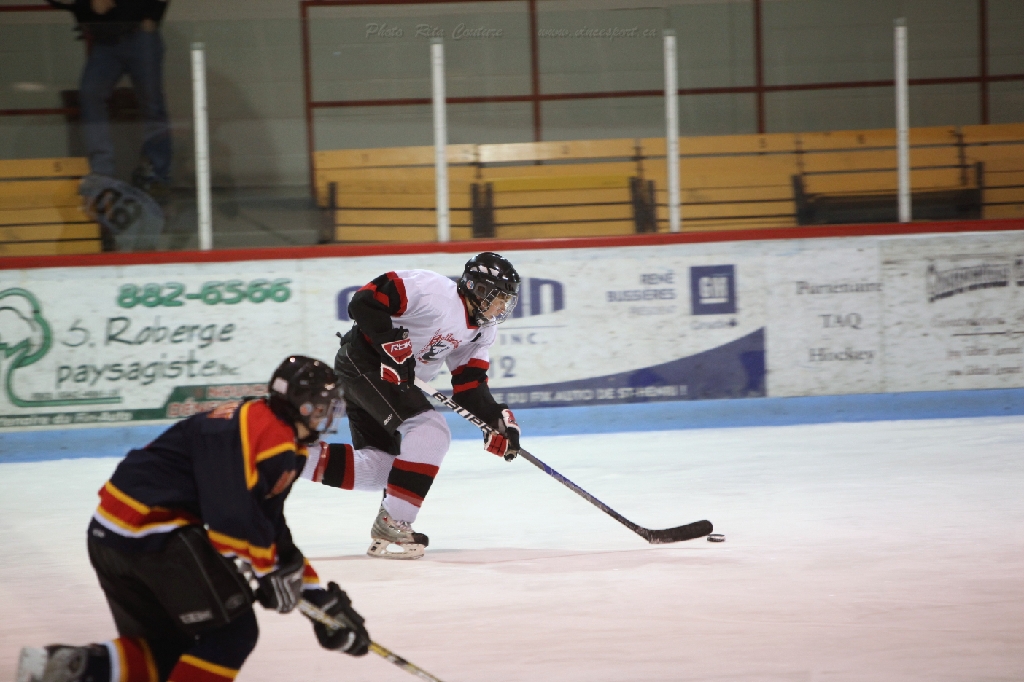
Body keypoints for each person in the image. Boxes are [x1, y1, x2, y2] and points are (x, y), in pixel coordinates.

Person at [16, 356, 370, 682]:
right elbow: (230, 522)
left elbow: (267, 527)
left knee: (173, 650)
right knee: (232, 634)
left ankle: (72, 667)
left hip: (108, 534)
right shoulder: (273, 440)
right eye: (320, 407)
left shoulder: (261, 424)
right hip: (153, 534)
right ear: (300, 405)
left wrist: (315, 596)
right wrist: (268, 572)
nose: (326, 415)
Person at [303, 252, 523, 560]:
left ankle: (288, 456)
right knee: (431, 432)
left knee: (383, 469)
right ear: (478, 288)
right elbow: (363, 302)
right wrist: (390, 342)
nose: (502, 308)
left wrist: (496, 420)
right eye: (498, 298)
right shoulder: (432, 291)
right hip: (366, 363)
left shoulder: (483, 331)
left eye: (506, 301)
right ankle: (394, 521)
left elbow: (470, 387)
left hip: (393, 379)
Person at [46, 0, 173, 201]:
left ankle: (156, 173)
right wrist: (89, 3)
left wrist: (153, 16)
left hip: (137, 32)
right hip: (106, 39)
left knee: (152, 104)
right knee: (91, 94)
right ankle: (102, 171)